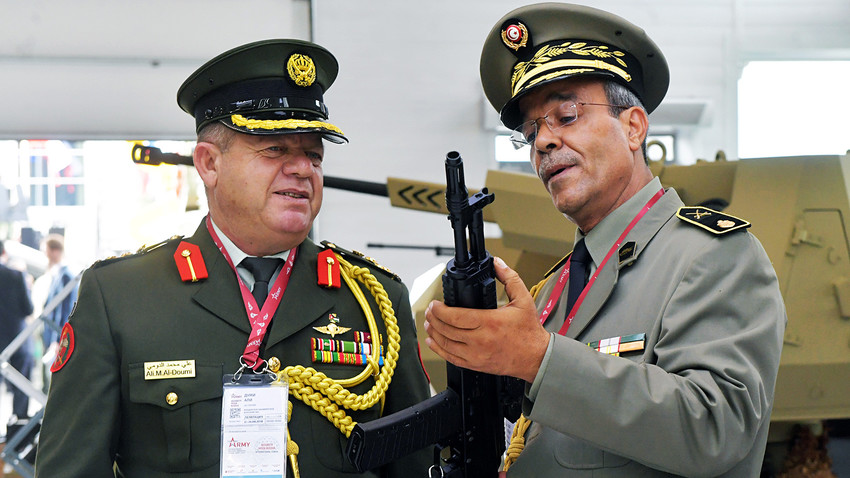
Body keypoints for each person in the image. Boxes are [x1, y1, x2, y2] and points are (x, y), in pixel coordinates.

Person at [35, 39, 432, 477]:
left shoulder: (373, 302)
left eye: (313, 155)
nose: (302, 169)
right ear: (208, 163)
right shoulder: (121, 298)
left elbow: (416, 464)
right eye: (275, 150)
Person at [423, 4, 786, 477]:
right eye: (530, 132)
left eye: (567, 115)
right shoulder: (553, 290)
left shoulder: (713, 255)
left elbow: (716, 428)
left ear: (633, 126)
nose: (543, 142)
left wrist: (539, 359)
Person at [38, 233, 79, 391]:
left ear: (55, 251)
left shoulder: (66, 276)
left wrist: (58, 338)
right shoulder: (58, 274)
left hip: (58, 335)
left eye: (46, 251)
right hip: (53, 334)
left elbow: (64, 310)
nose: (45, 256)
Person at [0, 239, 34, 421]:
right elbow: (28, 308)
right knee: (21, 384)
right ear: (4, 253)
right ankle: (18, 428)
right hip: (16, 339)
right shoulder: (16, 276)